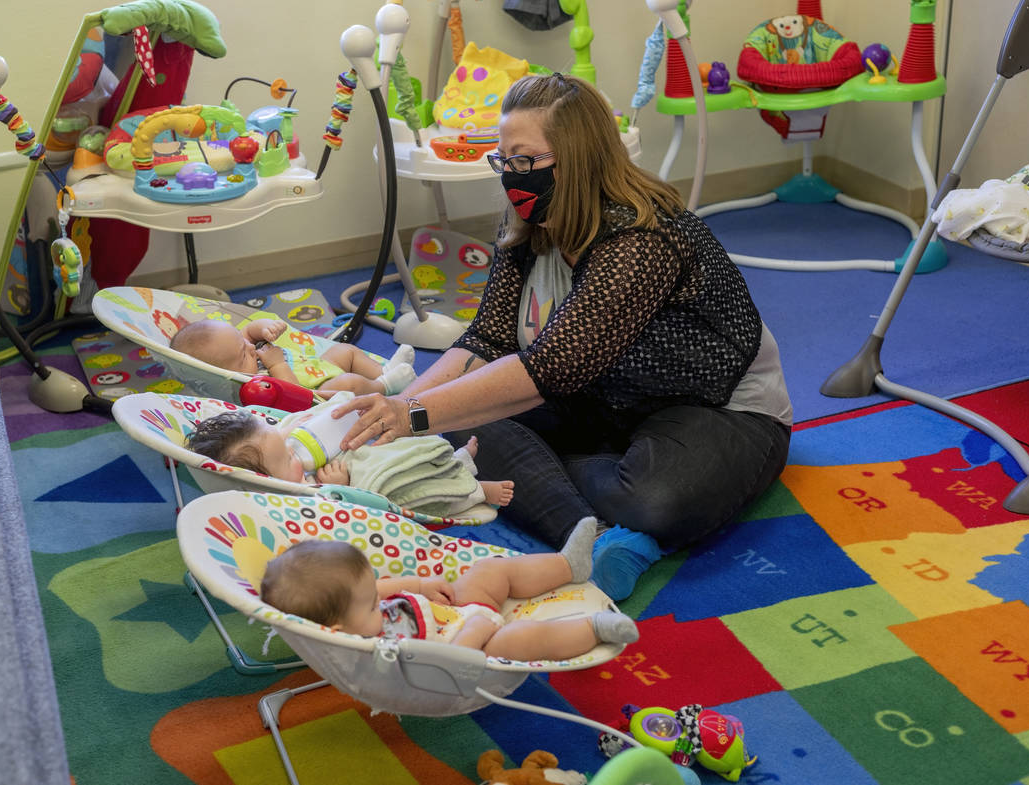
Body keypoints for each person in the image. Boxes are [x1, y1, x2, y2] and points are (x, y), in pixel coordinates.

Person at [330, 73, 793, 601]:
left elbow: (551, 368)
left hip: (713, 408)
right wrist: (403, 405)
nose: (511, 176)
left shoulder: (642, 239)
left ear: (579, 158)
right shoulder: (530, 221)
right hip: (594, 400)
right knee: (449, 420)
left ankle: (576, 492)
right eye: (503, 159)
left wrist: (416, 415)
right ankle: (590, 535)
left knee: (655, 501)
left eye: (525, 160)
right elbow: (488, 338)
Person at [260, 519, 639, 661]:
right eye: (373, 604)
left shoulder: (356, 606)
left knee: (489, 571)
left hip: (453, 608)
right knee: (524, 639)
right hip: (470, 642)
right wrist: (476, 631)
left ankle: (567, 565)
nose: (380, 598)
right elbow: (445, 663)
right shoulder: (376, 651)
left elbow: (380, 586)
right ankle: (593, 629)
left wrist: (421, 585)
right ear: (338, 630)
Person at [185, 409, 516, 513]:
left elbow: (280, 440)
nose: (293, 454)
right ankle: (471, 487)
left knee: (379, 443)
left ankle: (446, 458)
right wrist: (337, 489)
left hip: (348, 462)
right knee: (413, 496)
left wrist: (289, 433)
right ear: (267, 481)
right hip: (363, 494)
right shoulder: (297, 498)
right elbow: (346, 512)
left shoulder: (274, 465)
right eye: (287, 459)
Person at [169, 317, 417, 396]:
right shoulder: (252, 388)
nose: (251, 347)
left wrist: (264, 327)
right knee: (348, 383)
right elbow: (294, 393)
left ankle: (383, 371)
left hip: (316, 367)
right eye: (243, 354)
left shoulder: (241, 348)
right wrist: (276, 364)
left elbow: (248, 332)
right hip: (317, 390)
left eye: (243, 342)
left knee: (346, 351)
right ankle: (385, 386)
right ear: (227, 376)